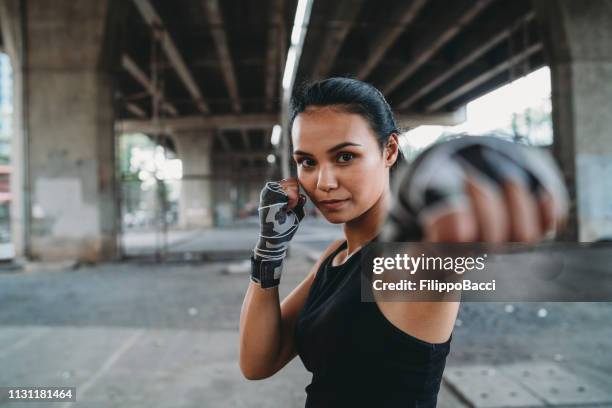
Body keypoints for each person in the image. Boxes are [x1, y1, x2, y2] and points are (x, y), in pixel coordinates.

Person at [239, 77, 567, 407]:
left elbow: (426, 250)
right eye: (308, 162)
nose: (323, 182)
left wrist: (466, 169)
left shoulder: (402, 262)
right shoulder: (336, 255)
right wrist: (269, 250)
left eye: (345, 157)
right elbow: (257, 363)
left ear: (390, 150)